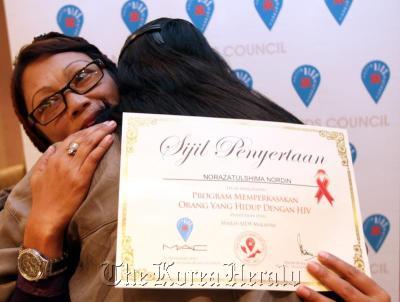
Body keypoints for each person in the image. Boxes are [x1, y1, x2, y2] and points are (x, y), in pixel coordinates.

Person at [0, 18, 390, 302]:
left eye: (83, 76)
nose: (76, 102)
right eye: (48, 103)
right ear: (36, 133)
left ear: (116, 75)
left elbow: (331, 265)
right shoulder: (30, 197)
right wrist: (43, 230)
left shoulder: (262, 139)